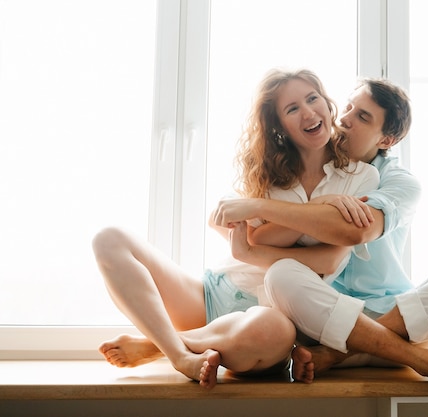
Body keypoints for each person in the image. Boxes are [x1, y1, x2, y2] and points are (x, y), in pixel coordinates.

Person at [92, 68, 379, 389]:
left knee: (270, 333)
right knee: (109, 239)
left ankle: (154, 345)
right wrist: (320, 211)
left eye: (313, 99)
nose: (309, 112)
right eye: (292, 108)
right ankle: (178, 354)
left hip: (270, 316)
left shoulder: (360, 177)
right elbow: (250, 239)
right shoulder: (268, 175)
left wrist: (259, 239)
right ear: (279, 126)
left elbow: (328, 261)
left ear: (328, 104)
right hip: (213, 296)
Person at [212, 78, 428, 403]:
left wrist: (262, 209)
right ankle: (421, 359)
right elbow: (228, 211)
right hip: (319, 312)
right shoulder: (316, 156)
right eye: (347, 107)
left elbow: (356, 230)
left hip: (387, 311)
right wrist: (251, 220)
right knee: (281, 274)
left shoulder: (398, 182)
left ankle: (338, 355)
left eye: (363, 117)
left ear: (387, 138)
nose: (345, 118)